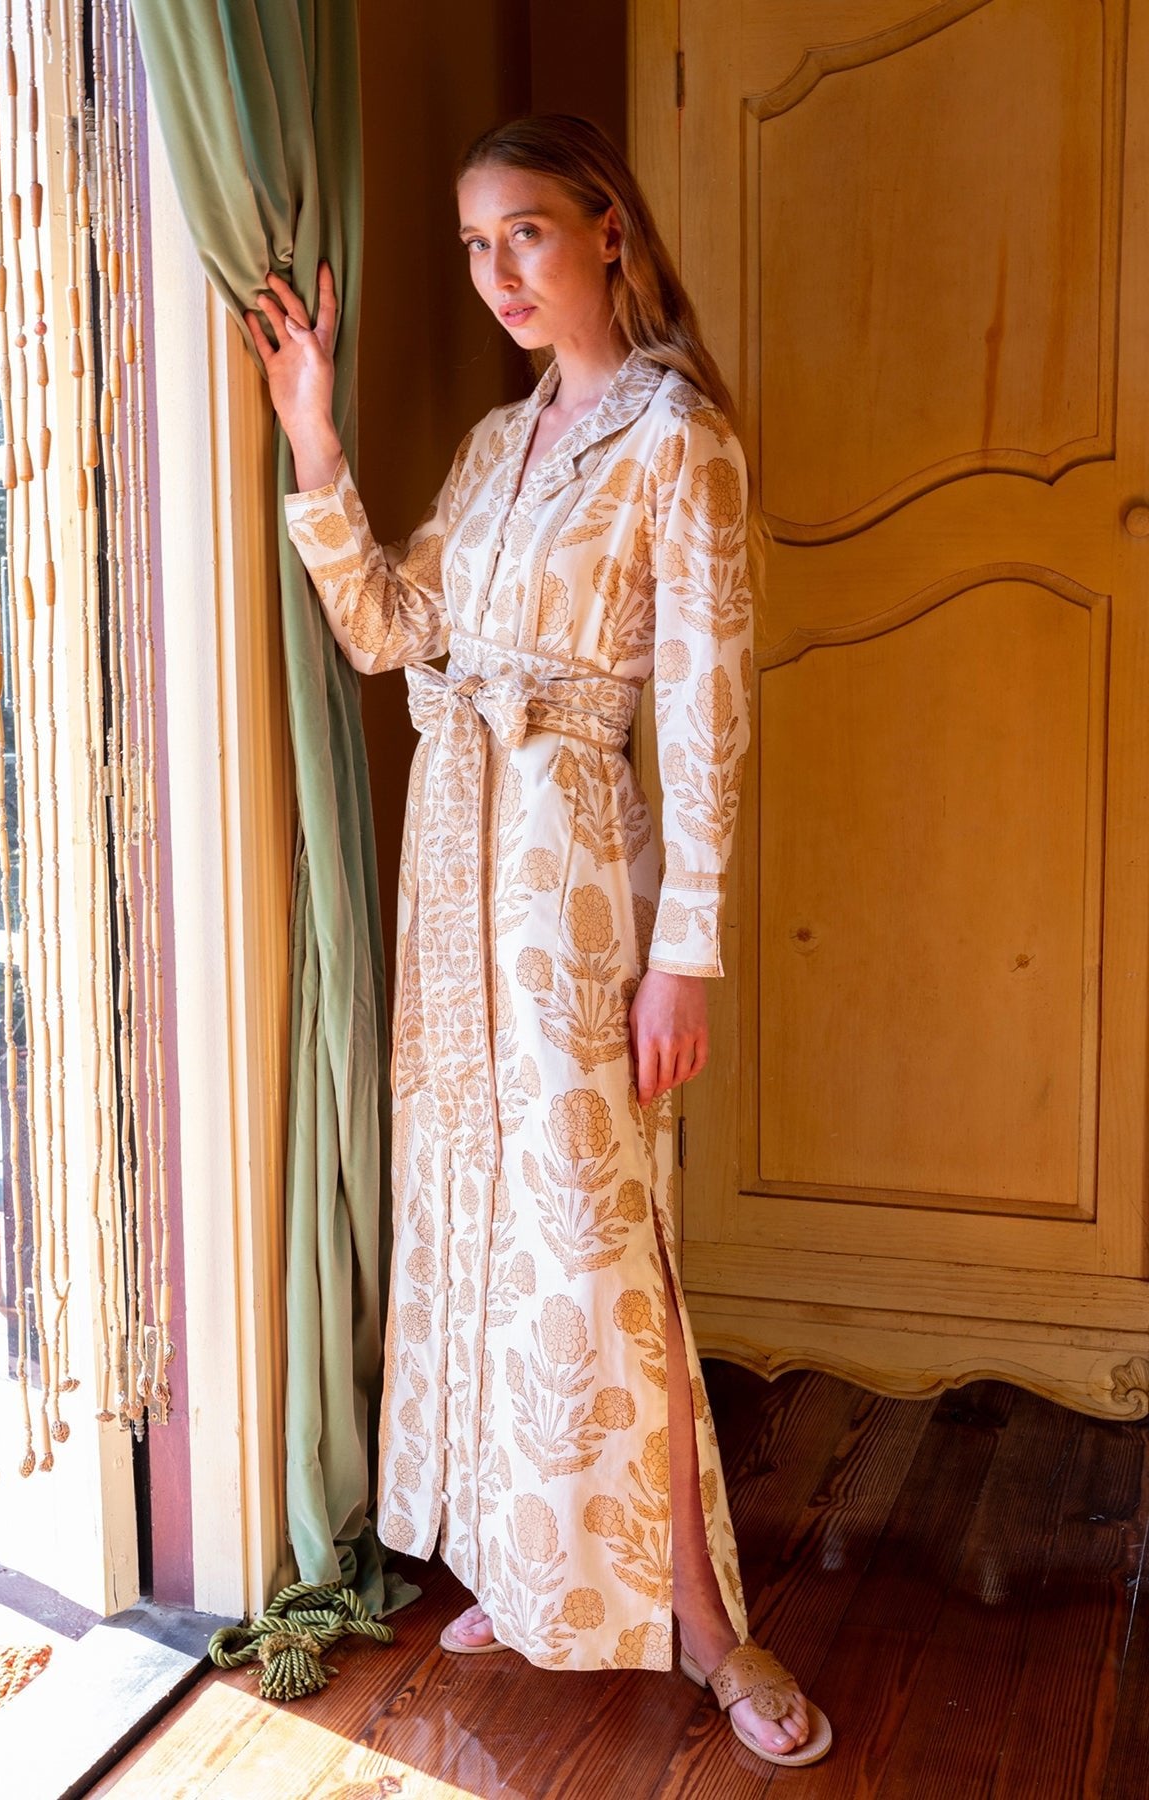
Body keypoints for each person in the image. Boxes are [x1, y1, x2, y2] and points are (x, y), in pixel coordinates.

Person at [244, 112, 832, 1768]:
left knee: (599, 1238)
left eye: (526, 235)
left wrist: (684, 950)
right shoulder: (497, 449)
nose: (498, 274)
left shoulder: (679, 440)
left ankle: (704, 1622)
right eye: (473, 247)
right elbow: (392, 630)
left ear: (607, 231)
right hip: (455, 875)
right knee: (485, 1221)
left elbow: (705, 715)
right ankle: (528, 1561)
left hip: (578, 884)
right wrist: (311, 433)